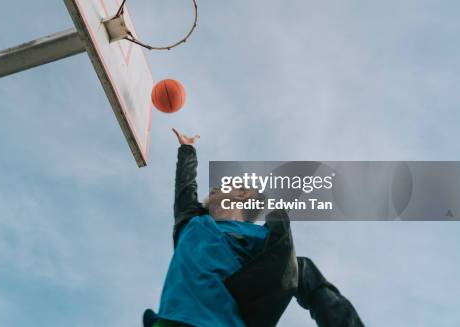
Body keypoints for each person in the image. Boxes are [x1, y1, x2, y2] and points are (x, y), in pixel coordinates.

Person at [143, 129, 364, 327]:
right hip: (168, 323)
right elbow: (185, 186)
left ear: (241, 194)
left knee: (302, 267)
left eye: (223, 185)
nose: (215, 186)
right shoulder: (191, 222)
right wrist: (187, 149)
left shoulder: (261, 237)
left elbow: (292, 274)